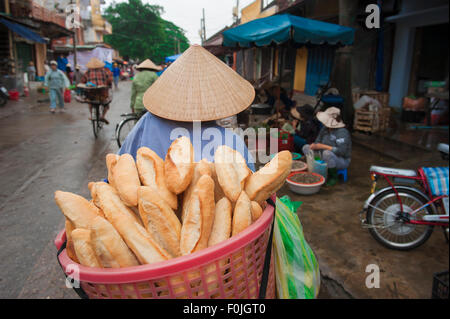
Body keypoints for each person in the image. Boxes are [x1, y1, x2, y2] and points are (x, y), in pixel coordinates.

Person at [119, 45, 255, 171]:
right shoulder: (231, 142)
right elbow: (250, 186)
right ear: (216, 98)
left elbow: (119, 167)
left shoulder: (148, 123)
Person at [302, 107, 351, 186]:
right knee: (306, 147)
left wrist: (323, 146)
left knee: (327, 153)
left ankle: (333, 177)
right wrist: (315, 145)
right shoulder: (325, 129)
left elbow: (342, 152)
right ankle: (316, 168)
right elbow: (318, 141)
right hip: (323, 154)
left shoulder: (342, 132)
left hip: (341, 160)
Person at [81, 57, 112, 124]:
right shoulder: (104, 71)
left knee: (90, 102)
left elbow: (83, 81)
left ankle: (92, 115)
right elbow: (109, 80)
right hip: (102, 94)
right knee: (106, 105)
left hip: (91, 94)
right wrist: (109, 85)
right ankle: (103, 116)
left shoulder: (88, 72)